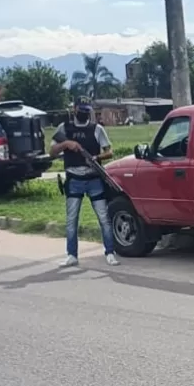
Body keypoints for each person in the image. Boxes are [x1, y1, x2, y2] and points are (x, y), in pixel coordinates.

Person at [50, 99, 119, 267]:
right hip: (74, 179)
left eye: (86, 110)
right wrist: (66, 143)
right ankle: (72, 255)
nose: (83, 113)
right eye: (81, 110)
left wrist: (96, 158)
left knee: (104, 218)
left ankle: (110, 252)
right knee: (72, 220)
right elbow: (51, 152)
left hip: (94, 178)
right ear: (74, 109)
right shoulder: (64, 128)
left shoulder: (97, 129)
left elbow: (109, 151)